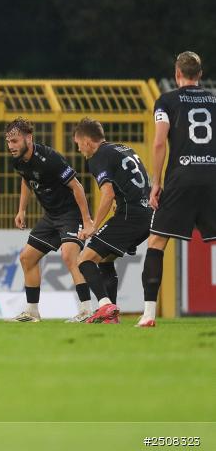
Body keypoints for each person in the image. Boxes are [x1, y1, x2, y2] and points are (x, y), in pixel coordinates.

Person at [140, 51, 216, 327]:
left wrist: (156, 183)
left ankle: (149, 314)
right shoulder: (214, 100)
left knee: (157, 242)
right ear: (200, 75)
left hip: (181, 178)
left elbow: (160, 142)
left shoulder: (167, 101)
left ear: (177, 74)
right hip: (212, 177)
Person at [5, 117, 95, 323]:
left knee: (70, 257)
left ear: (29, 138)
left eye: (15, 141)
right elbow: (26, 181)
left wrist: (87, 220)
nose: (11, 146)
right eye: (9, 142)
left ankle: (87, 311)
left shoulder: (51, 158)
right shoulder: (17, 160)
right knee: (27, 258)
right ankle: (32, 312)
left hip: (70, 214)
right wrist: (21, 210)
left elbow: (77, 187)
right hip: (51, 216)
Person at [73, 118, 152, 324]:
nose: (79, 149)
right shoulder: (123, 148)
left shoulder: (98, 157)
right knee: (106, 260)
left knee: (84, 260)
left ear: (88, 141)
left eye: (79, 144)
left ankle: (105, 305)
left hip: (130, 216)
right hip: (147, 213)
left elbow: (107, 194)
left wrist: (93, 225)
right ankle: (111, 317)